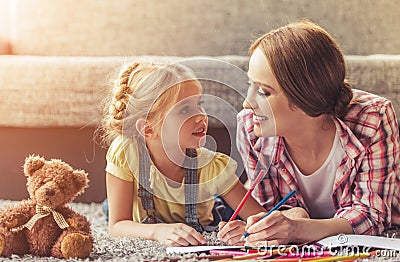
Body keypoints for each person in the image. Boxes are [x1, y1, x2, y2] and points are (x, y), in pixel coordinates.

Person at [217, 20, 400, 246]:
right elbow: (273, 207)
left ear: (305, 98)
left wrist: (297, 229)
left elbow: (372, 217)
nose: (246, 104)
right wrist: (265, 227)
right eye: (250, 86)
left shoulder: (374, 118)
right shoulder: (251, 129)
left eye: (263, 92)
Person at [98, 60, 265, 247]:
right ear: (148, 129)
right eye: (185, 110)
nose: (201, 116)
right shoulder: (125, 152)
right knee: (110, 208)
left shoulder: (213, 167)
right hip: (145, 213)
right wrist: (159, 231)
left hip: (207, 211)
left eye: (199, 104)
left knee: (221, 210)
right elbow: (117, 225)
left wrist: (246, 229)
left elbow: (261, 220)